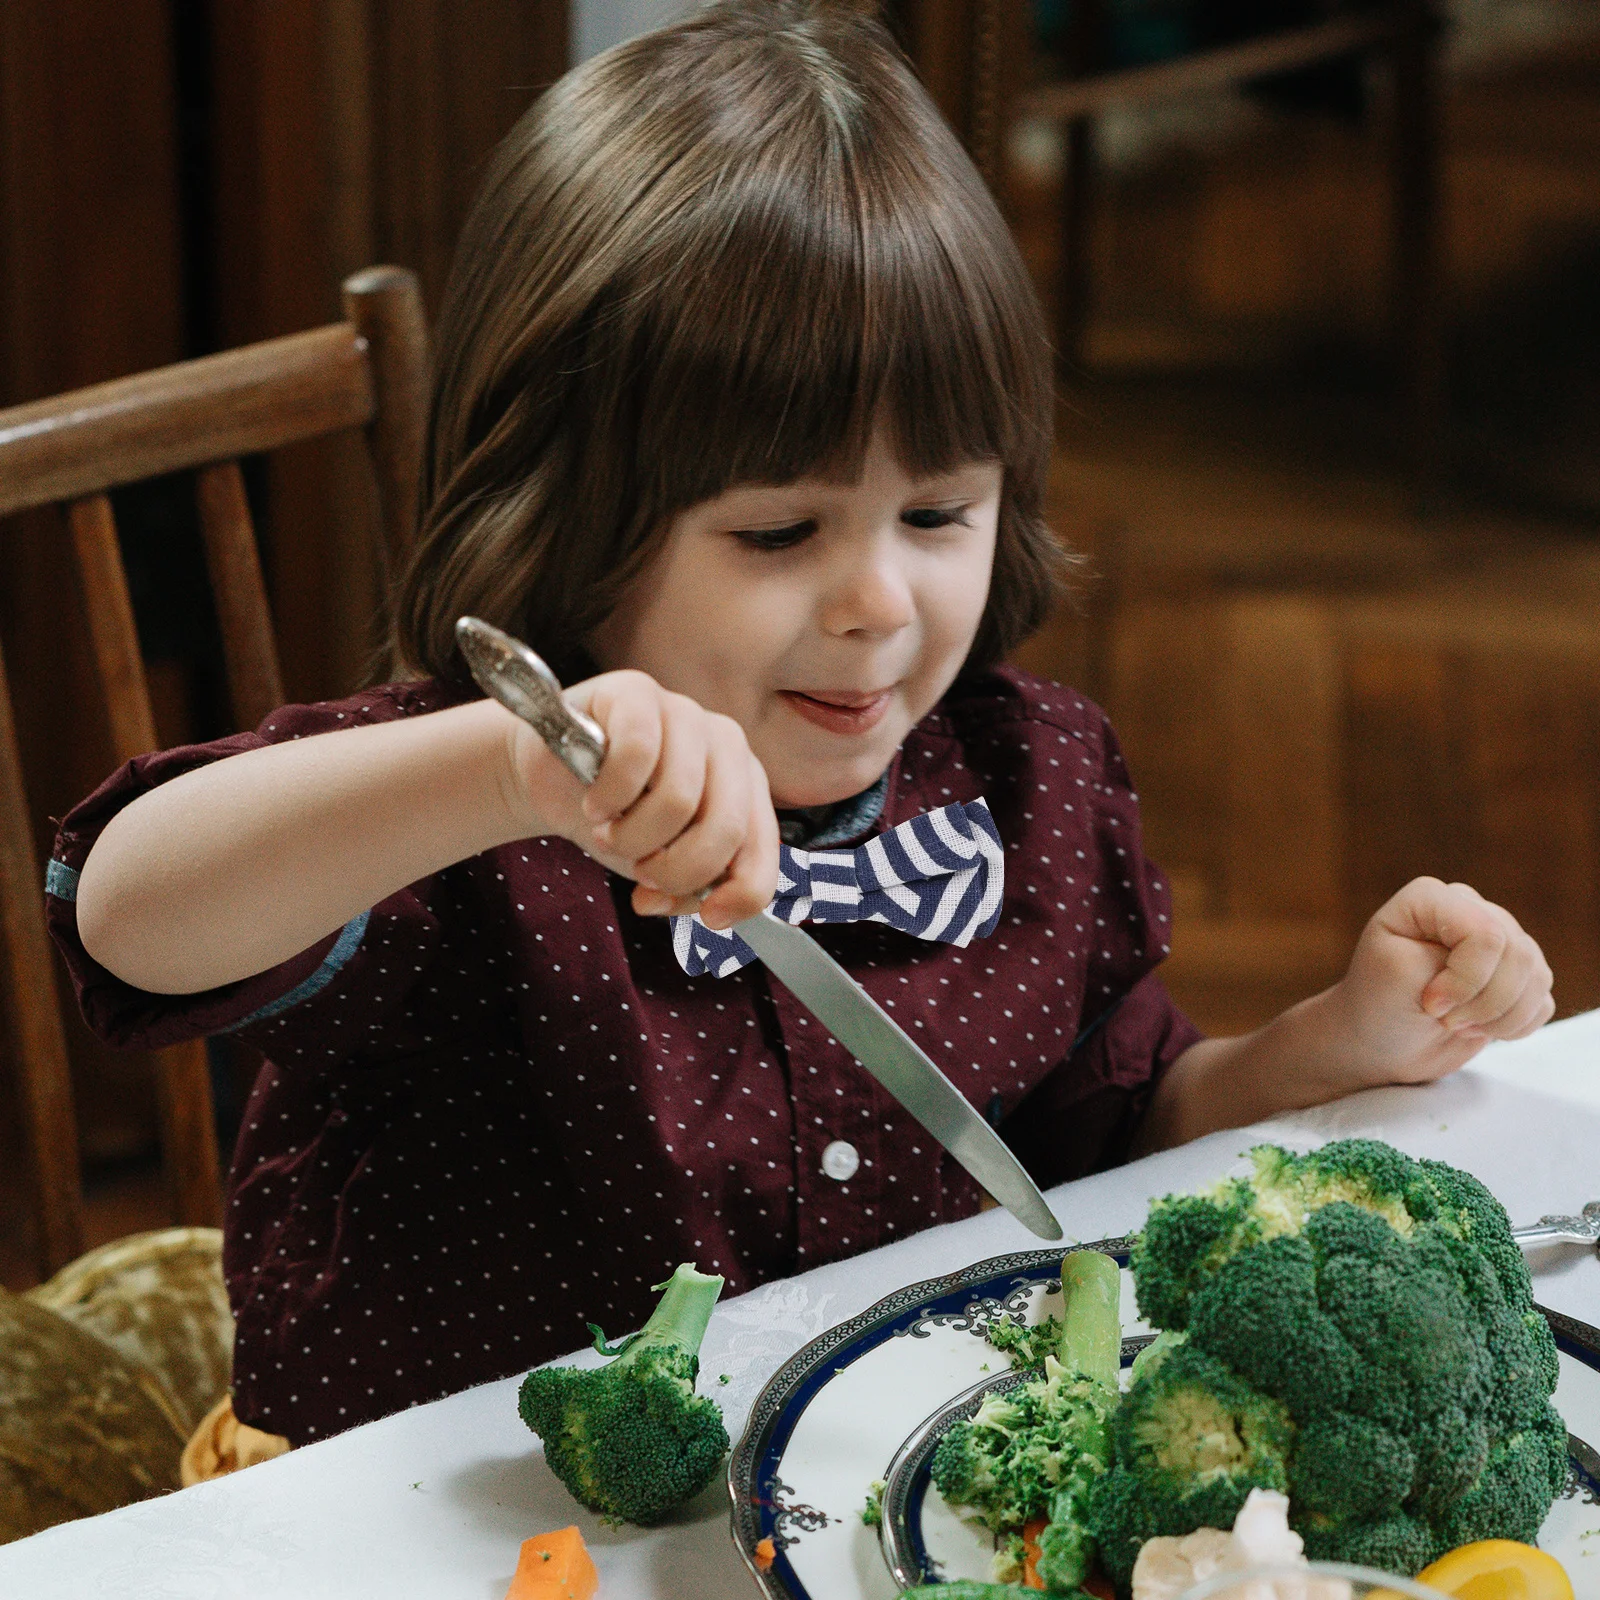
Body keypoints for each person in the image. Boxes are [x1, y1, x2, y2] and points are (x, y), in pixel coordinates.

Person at [47, 0, 1551, 1449]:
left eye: (940, 510)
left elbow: (1117, 1128)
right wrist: (505, 767)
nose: (879, 602)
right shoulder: (452, 816)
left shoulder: (1032, 777)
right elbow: (125, 910)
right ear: (565, 526)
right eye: (779, 532)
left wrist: (1334, 1043)